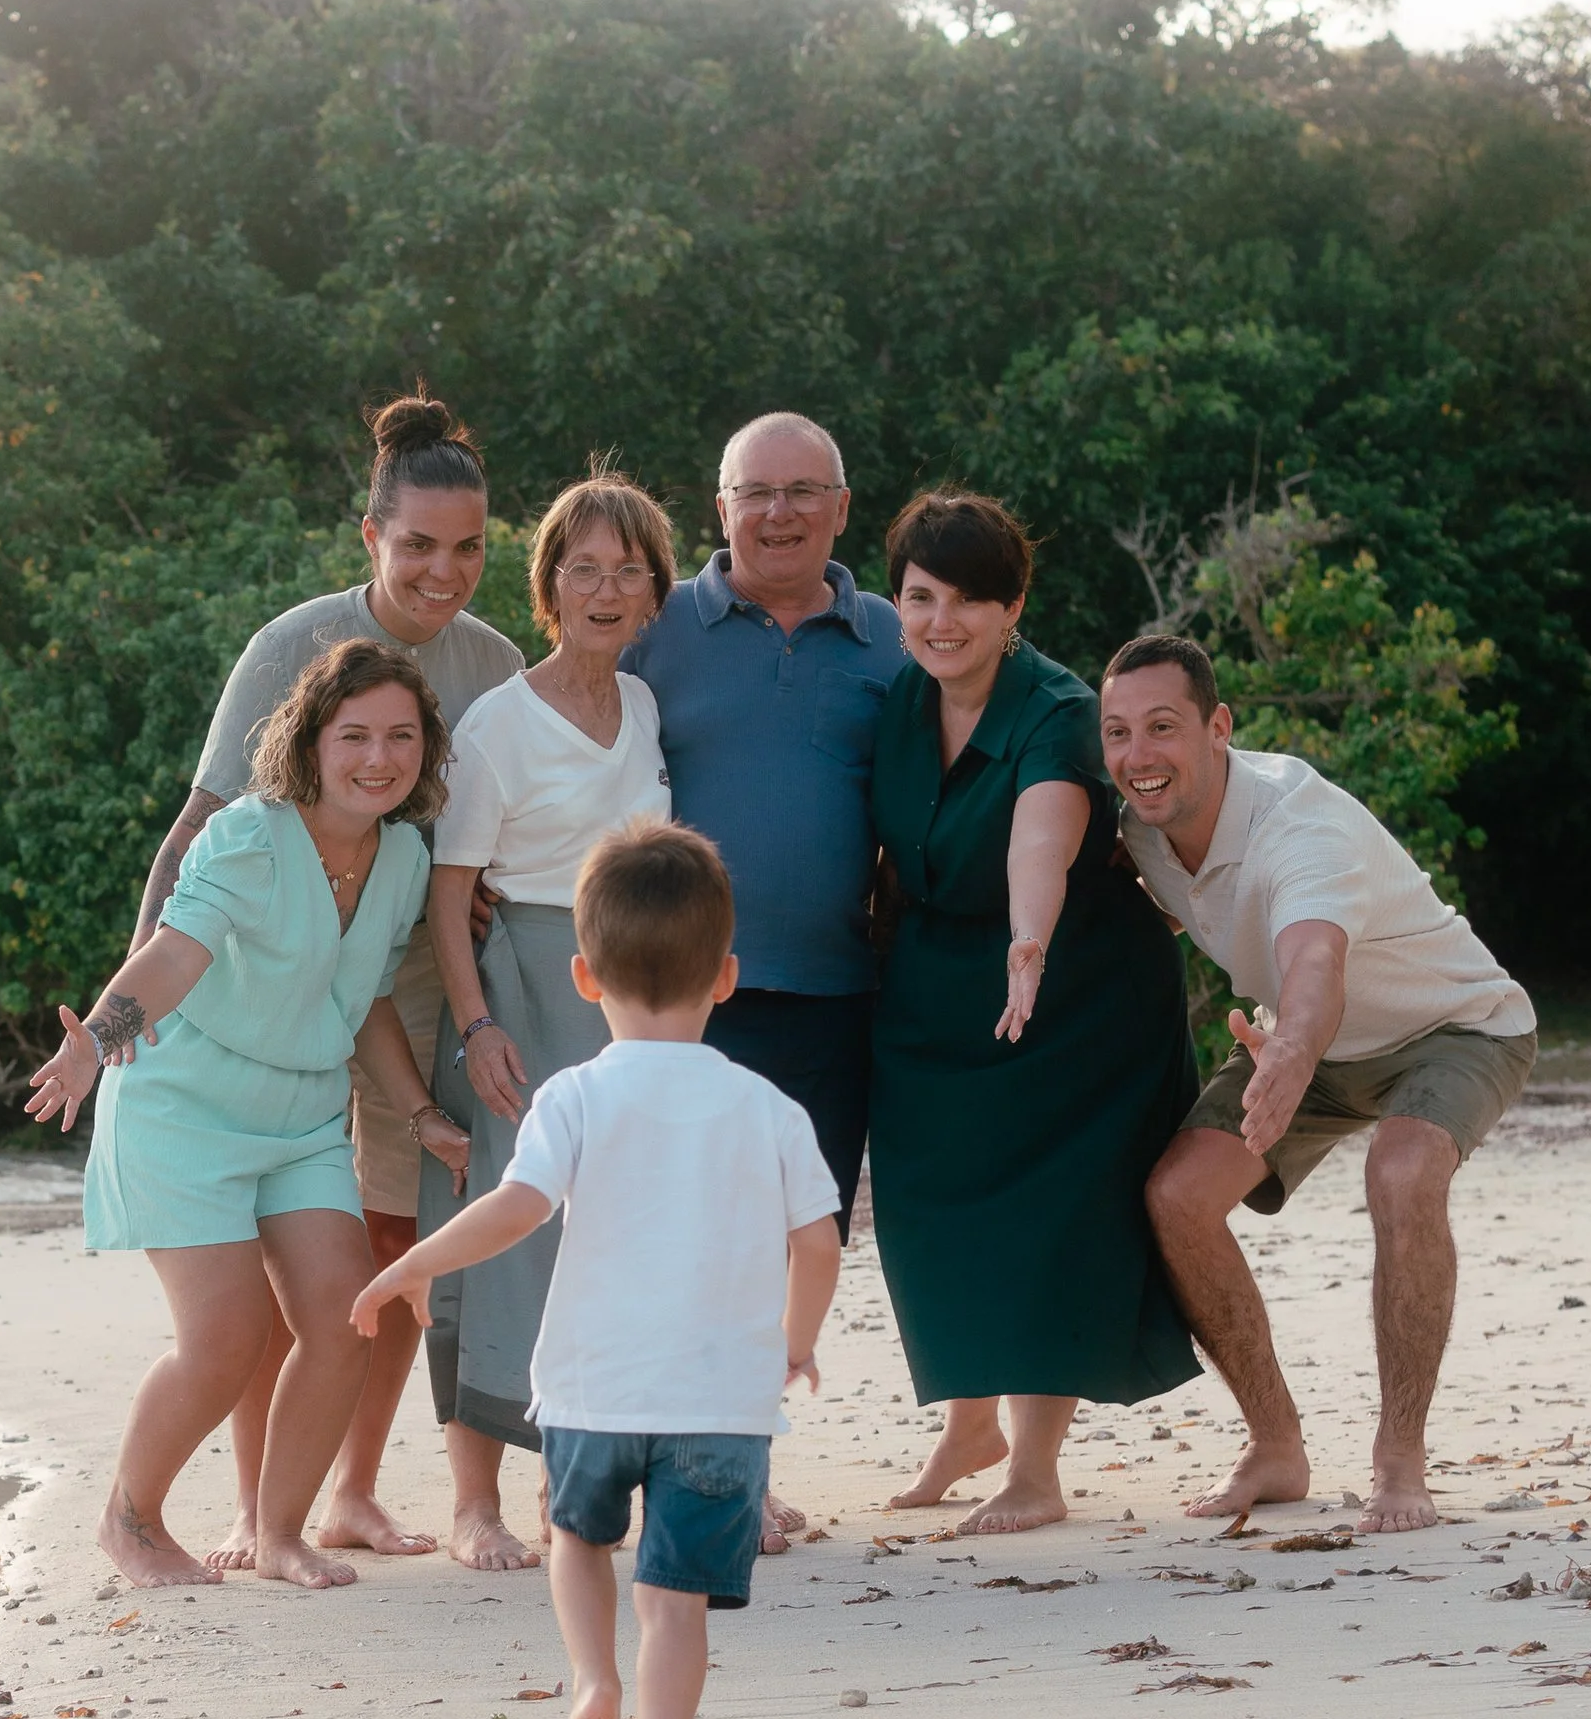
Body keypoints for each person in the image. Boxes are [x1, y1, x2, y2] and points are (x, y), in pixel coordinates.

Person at [355, 820, 841, 1719]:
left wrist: (410, 1260)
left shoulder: (572, 1096)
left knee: (574, 1538)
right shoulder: (768, 1107)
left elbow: (514, 1209)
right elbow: (820, 1244)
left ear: (583, 975)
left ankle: (590, 1681)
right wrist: (791, 1341)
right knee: (676, 1601)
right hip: (721, 1404)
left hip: (593, 1388)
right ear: (726, 976)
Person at [132, 392, 522, 1567]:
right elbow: (196, 832)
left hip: (404, 979)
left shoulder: (493, 660)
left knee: (388, 1243)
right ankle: (262, 1514)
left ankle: (350, 1490)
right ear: (370, 535)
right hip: (272, 996)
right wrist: (133, 1004)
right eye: (417, 546)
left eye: (467, 549)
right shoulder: (291, 646)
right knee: (277, 1264)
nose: (442, 572)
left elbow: (489, 836)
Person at [28, 640, 472, 1592]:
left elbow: (369, 1003)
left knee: (346, 1317)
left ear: (425, 749)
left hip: (303, 1118)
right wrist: (93, 1042)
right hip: (187, 1109)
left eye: (401, 735)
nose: (378, 757)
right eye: (354, 735)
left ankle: (279, 1534)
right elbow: (173, 956)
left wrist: (425, 1114)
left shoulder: (402, 856)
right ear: (311, 743)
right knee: (225, 1339)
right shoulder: (244, 834)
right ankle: (129, 1518)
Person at [1103, 630, 1537, 1536]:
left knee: (1403, 1171)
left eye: (1162, 728)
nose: (1138, 757)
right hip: (1302, 1048)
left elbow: (1313, 961)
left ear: (1218, 726)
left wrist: (1294, 1049)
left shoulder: (1297, 824)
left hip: (1452, 1026)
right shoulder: (1138, 828)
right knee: (1177, 1197)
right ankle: (1276, 1445)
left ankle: (1399, 1455)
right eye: (1116, 734)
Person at [866, 492, 1199, 1531]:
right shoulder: (898, 698)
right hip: (930, 981)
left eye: (971, 599)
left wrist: (1026, 943)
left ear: (1013, 605)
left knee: (1046, 1217)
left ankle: (1034, 1468)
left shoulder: (1053, 708)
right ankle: (969, 1423)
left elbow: (1038, 839)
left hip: (1070, 990)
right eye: (922, 596)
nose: (942, 620)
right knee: (929, 1207)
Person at [621, 410, 905, 1539]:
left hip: (838, 994)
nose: (778, 511)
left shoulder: (892, 638)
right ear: (719, 507)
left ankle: (733, 1458)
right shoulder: (654, 632)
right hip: (685, 1000)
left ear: (840, 508)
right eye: (756, 492)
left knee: (796, 1246)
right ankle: (687, 1472)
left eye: (803, 490)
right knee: (686, 1239)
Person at [419, 472, 679, 1565]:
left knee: (610, 1239)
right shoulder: (497, 722)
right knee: (499, 1232)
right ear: (550, 588)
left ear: (655, 593)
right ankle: (473, 1500)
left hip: (629, 987)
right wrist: (477, 1025)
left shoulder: (646, 703)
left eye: (628, 569)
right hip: (518, 983)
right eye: (584, 568)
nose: (606, 588)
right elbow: (447, 896)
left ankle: (581, 1482)